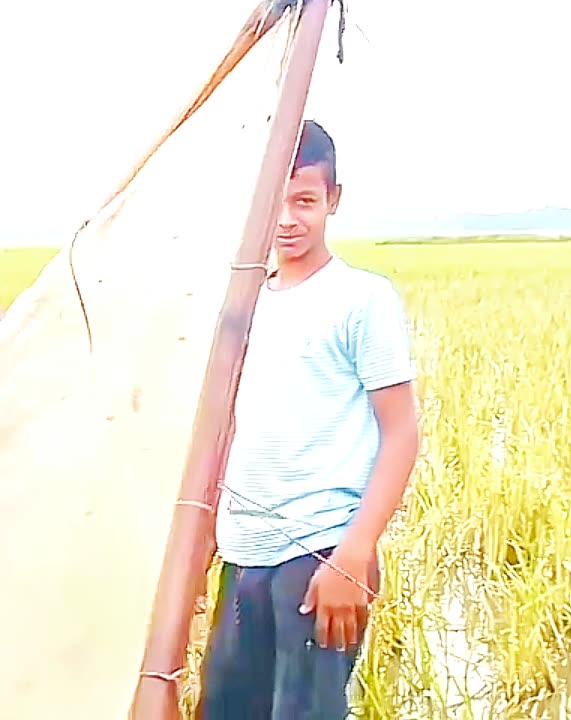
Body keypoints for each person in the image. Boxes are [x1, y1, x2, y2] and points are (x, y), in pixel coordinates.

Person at [197, 120, 420, 719]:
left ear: (333, 201)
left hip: (320, 556)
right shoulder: (242, 304)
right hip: (244, 555)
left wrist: (354, 554)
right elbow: (221, 433)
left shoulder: (360, 300)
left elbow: (401, 433)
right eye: (275, 201)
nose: (288, 219)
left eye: (305, 200)